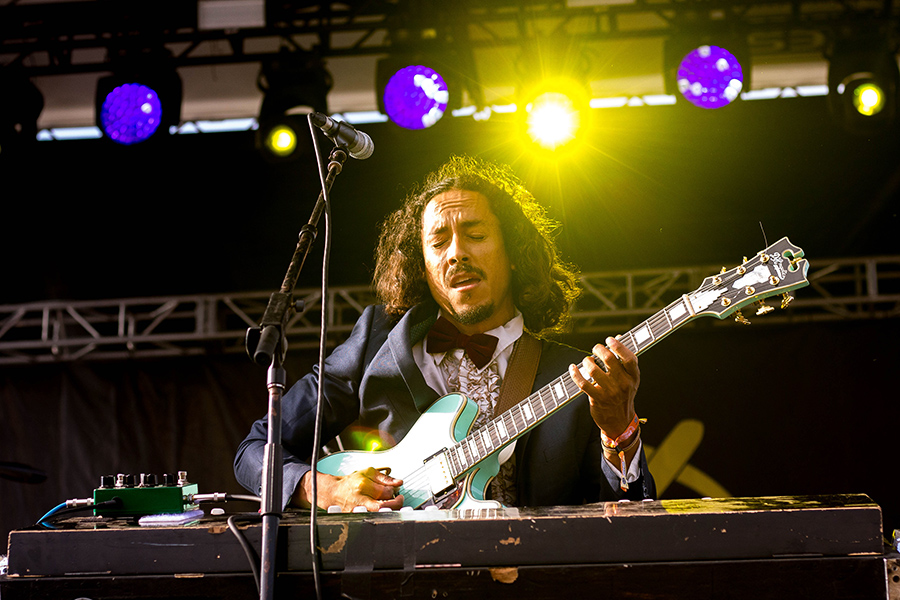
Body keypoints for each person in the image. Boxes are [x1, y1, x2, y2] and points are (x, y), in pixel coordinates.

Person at [234, 156, 655, 511]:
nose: (456, 253)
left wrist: (620, 432)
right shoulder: (375, 343)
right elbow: (254, 449)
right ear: (422, 265)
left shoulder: (575, 375)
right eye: (438, 242)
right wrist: (326, 490)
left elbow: (629, 513)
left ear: (513, 253)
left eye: (475, 235)